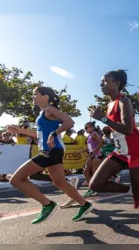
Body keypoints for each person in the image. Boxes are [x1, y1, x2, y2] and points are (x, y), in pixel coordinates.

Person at [89, 69, 139, 237]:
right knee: (95, 184)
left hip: (135, 150)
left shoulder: (124, 101)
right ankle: (131, 190)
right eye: (101, 81)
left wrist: (102, 118)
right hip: (120, 150)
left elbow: (128, 129)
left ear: (116, 83)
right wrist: (104, 123)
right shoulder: (109, 104)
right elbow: (114, 127)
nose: (101, 84)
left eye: (105, 81)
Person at [7, 86, 93, 224]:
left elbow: (69, 122)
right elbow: (39, 135)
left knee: (16, 179)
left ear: (45, 96)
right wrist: (18, 130)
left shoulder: (49, 110)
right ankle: (85, 204)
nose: (32, 97)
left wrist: (54, 134)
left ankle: (47, 204)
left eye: (35, 94)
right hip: (50, 151)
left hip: (51, 151)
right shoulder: (42, 114)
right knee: (59, 182)